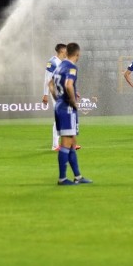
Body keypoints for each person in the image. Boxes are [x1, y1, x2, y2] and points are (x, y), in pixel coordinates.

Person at [49, 42, 92, 185]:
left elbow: (50, 84)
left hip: (60, 106)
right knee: (66, 143)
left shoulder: (59, 66)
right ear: (77, 54)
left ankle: (78, 176)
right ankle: (62, 178)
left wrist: (57, 98)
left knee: (72, 143)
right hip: (67, 108)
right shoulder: (72, 67)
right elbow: (68, 85)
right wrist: (73, 101)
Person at [42, 43, 67, 151]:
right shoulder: (52, 62)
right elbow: (47, 79)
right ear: (62, 51)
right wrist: (45, 94)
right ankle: (55, 145)